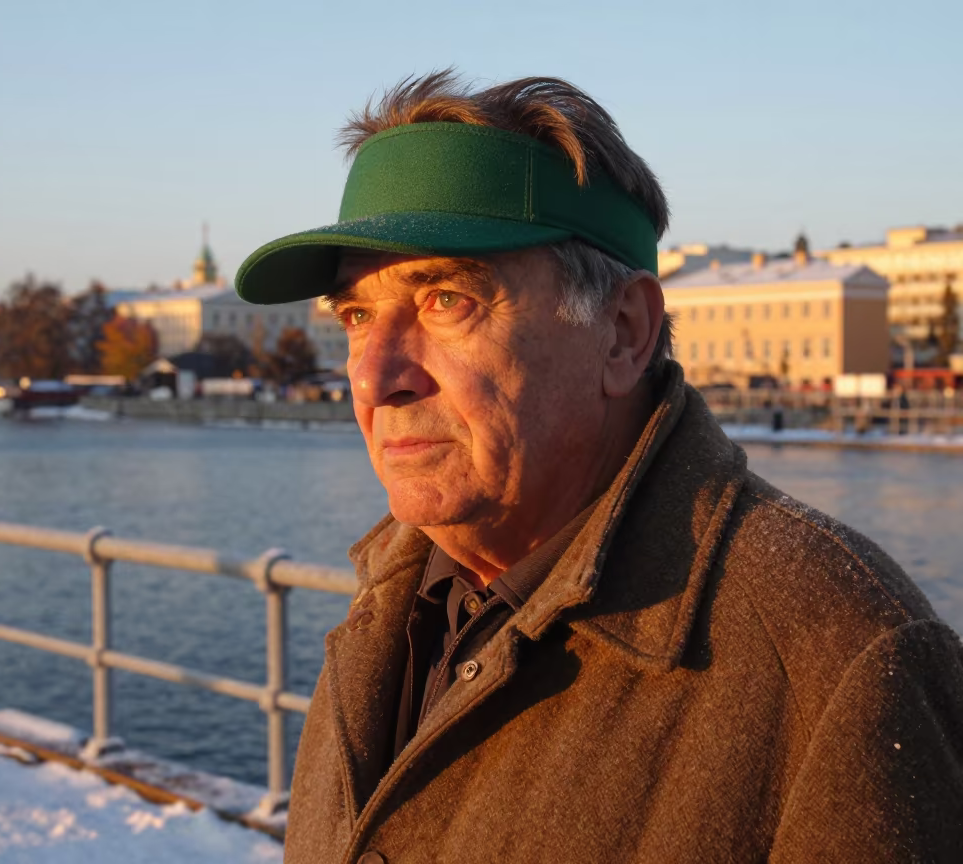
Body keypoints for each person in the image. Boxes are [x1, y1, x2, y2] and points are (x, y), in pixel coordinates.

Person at [236, 71, 963, 863]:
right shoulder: (391, 609)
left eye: (446, 299)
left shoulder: (840, 656)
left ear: (623, 332)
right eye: (356, 316)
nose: (376, 378)